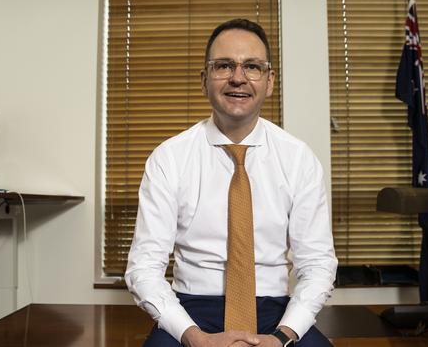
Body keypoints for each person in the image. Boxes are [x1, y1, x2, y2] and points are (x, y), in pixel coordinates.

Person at [125, 18, 338, 347]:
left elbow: (317, 263)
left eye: (252, 66)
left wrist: (282, 336)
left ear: (269, 82)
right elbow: (144, 268)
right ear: (204, 79)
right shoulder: (168, 158)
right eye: (224, 65)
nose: (238, 78)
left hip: (276, 309)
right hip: (191, 308)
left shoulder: (299, 158)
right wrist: (194, 337)